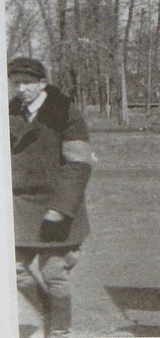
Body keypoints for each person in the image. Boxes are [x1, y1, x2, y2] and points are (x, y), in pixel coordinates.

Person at [8, 57, 94, 338]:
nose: (20, 89)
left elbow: (78, 164)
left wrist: (59, 208)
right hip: (21, 208)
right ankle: (48, 311)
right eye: (16, 83)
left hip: (59, 205)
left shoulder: (64, 112)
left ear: (42, 83)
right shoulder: (9, 112)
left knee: (54, 271)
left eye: (27, 83)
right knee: (12, 268)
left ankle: (59, 331)